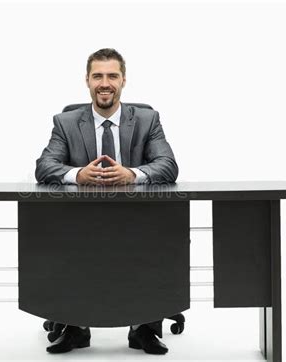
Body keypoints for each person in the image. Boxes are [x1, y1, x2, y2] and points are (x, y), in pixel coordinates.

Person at [35, 48, 179, 354]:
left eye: (112, 75)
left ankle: (144, 328)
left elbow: (167, 165)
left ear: (123, 80)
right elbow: (44, 166)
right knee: (64, 241)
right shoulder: (66, 122)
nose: (105, 83)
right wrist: (77, 174)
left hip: (137, 220)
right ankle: (75, 327)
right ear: (87, 80)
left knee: (158, 238)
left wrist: (132, 173)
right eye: (97, 76)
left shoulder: (146, 119)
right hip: (80, 221)